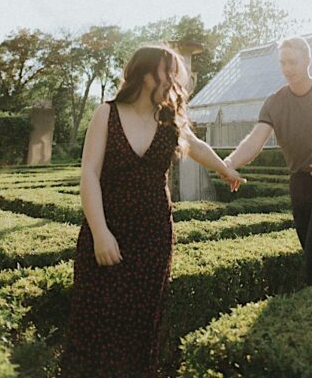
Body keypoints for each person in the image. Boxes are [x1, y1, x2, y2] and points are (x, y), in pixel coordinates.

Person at [62, 44, 245, 378]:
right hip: (107, 229)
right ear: (144, 74)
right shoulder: (107, 113)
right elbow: (89, 174)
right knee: (95, 322)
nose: (173, 80)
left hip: (153, 236)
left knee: (140, 325)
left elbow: (197, 146)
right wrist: (101, 234)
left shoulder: (169, 119)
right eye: (167, 71)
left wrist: (226, 168)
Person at [223, 35, 312, 284]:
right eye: (283, 63)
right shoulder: (274, 103)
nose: (287, 69)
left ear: (308, 61)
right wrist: (228, 163)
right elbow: (254, 141)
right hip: (299, 184)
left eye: (293, 62)